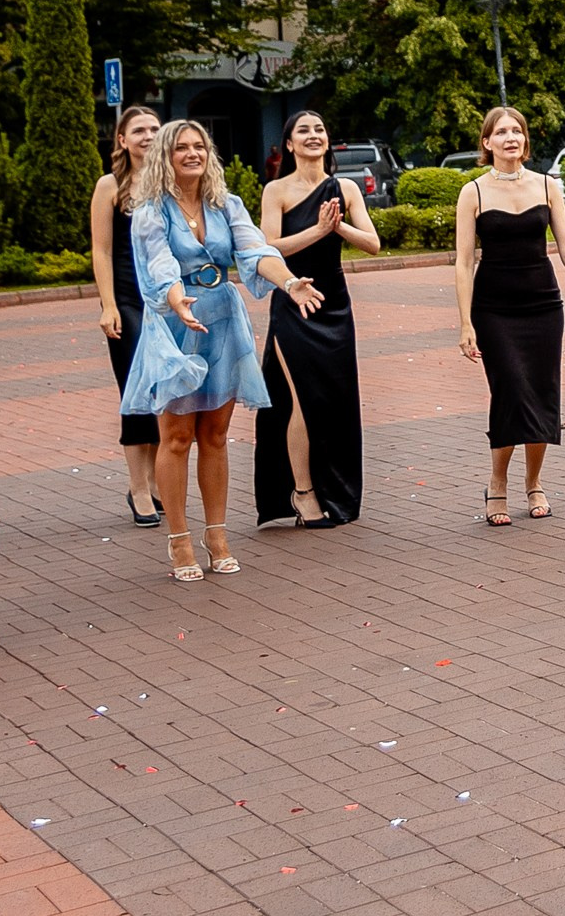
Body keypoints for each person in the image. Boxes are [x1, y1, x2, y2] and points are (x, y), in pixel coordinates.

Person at [121, 119, 323, 581]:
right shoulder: (152, 210)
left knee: (215, 435)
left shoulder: (226, 204)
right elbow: (159, 265)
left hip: (223, 320)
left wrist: (288, 282)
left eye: (199, 146)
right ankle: (178, 539)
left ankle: (217, 535)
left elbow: (255, 250)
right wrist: (177, 301)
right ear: (165, 157)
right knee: (176, 437)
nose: (192, 154)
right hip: (175, 325)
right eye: (181, 148)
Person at [453, 105, 565, 525]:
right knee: (510, 392)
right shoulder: (474, 192)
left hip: (543, 305)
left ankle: (535, 482)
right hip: (493, 310)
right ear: (487, 143)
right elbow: (464, 261)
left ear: (525, 140)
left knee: (542, 393)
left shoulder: (547, 186)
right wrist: (465, 321)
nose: (511, 138)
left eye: (517, 131)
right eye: (501, 132)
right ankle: (498, 481)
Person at [255, 108, 379, 529]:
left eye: (320, 129)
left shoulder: (345, 187)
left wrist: (338, 227)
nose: (313, 135)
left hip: (334, 304)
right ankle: (303, 491)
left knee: (336, 402)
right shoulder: (277, 190)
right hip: (293, 300)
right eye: (303, 130)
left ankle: (337, 490)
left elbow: (374, 243)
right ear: (289, 144)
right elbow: (268, 249)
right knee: (303, 402)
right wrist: (318, 231)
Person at [89, 105, 164, 527]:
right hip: (128, 301)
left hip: (165, 300)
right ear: (122, 139)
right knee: (137, 393)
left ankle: (155, 482)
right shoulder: (110, 185)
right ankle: (138, 488)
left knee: (164, 394)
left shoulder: (168, 181)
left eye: (155, 128)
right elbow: (100, 249)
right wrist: (108, 305)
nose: (149, 135)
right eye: (139, 130)